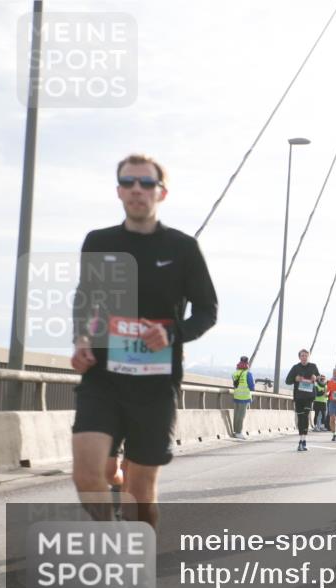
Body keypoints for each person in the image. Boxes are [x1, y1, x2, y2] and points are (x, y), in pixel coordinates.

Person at [70, 153, 218, 528]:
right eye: (128, 182)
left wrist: (171, 333)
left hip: (155, 385)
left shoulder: (183, 248)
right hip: (103, 377)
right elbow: (85, 298)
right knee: (87, 476)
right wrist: (81, 338)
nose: (137, 189)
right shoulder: (99, 241)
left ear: (161, 193)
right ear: (119, 191)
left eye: (146, 183)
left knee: (140, 492)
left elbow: (207, 310)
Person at [285, 349, 319, 452]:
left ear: (308, 357)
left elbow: (320, 380)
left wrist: (316, 378)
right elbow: (287, 381)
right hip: (299, 397)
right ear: (299, 357)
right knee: (300, 419)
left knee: (305, 417)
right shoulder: (295, 368)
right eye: (302, 356)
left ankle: (303, 441)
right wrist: (295, 379)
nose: (304, 357)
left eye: (306, 356)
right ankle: (301, 440)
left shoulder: (313, 366)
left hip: (309, 397)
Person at [232, 356, 255, 439]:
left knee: (236, 414)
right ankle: (239, 432)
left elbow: (235, 384)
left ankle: (235, 431)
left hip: (236, 396)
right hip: (244, 397)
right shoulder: (248, 374)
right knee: (241, 416)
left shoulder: (235, 373)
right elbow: (252, 387)